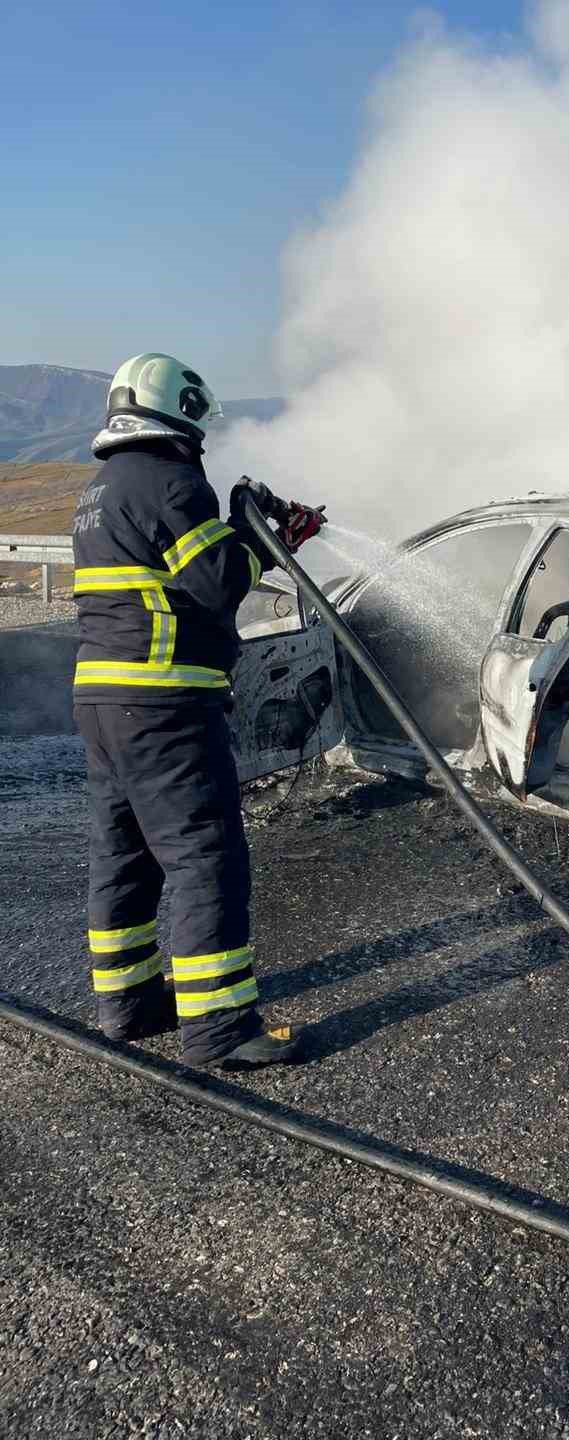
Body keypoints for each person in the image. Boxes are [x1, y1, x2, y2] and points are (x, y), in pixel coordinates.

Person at [72, 352, 323, 1069]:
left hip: (104, 700)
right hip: (162, 702)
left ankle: (129, 1004)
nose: (202, 440)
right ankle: (220, 1029)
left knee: (124, 854)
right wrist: (261, 536)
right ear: (174, 412)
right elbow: (217, 582)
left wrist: (251, 531)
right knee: (203, 854)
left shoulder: (101, 487)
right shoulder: (173, 481)